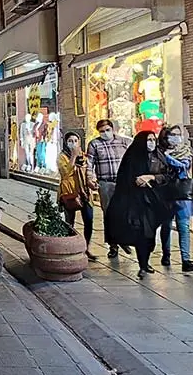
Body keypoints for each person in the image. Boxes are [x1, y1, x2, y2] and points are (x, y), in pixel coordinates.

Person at [105, 131, 172, 279]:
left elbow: (167, 176)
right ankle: (142, 264)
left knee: (150, 234)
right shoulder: (132, 157)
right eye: (148, 140)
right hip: (135, 202)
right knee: (142, 232)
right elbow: (123, 178)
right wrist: (135, 181)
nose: (151, 142)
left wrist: (152, 177)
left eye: (153, 140)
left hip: (154, 201)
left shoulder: (159, 156)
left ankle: (145, 261)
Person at [86, 119, 132, 259]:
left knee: (125, 212)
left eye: (107, 130)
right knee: (109, 214)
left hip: (123, 183)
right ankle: (113, 245)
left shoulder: (125, 142)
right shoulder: (95, 144)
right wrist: (91, 180)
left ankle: (123, 238)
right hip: (105, 184)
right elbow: (89, 164)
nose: (105, 133)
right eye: (102, 131)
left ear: (112, 129)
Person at [158, 125, 193, 271]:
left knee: (184, 227)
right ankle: (166, 254)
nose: (177, 137)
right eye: (173, 134)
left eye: (178, 134)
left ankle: (186, 260)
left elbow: (183, 166)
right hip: (165, 192)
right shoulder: (159, 152)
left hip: (181, 194)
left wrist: (167, 157)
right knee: (166, 225)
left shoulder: (185, 151)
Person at [58, 132, 96, 260]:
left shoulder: (84, 156)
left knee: (89, 220)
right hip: (70, 193)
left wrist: (91, 182)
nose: (73, 143)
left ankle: (86, 248)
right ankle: (70, 248)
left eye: (75, 140)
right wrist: (73, 157)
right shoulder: (62, 157)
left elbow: (88, 172)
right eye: (70, 140)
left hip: (84, 192)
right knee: (70, 222)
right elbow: (65, 173)